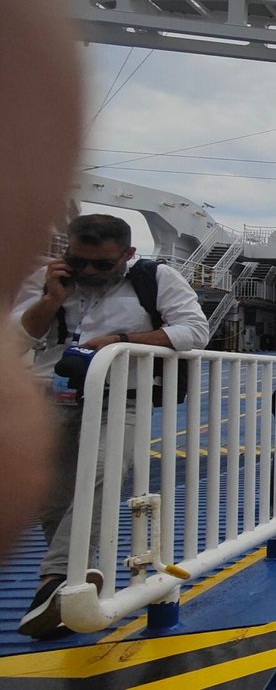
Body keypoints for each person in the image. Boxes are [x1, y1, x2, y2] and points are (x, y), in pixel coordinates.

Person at [10, 214, 210, 638]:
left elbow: (194, 330)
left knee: (103, 473)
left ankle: (54, 579)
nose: (88, 272)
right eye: (78, 261)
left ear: (127, 255)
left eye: (101, 265)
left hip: (122, 396)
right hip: (53, 395)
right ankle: (72, 588)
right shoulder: (49, 279)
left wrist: (121, 341)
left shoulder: (158, 279)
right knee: (52, 497)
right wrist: (49, 298)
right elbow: (15, 338)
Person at [0, 0, 87, 565]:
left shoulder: (153, 284)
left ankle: (63, 573)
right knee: (60, 490)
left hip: (96, 397)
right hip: (58, 390)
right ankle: (62, 574)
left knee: (89, 485)